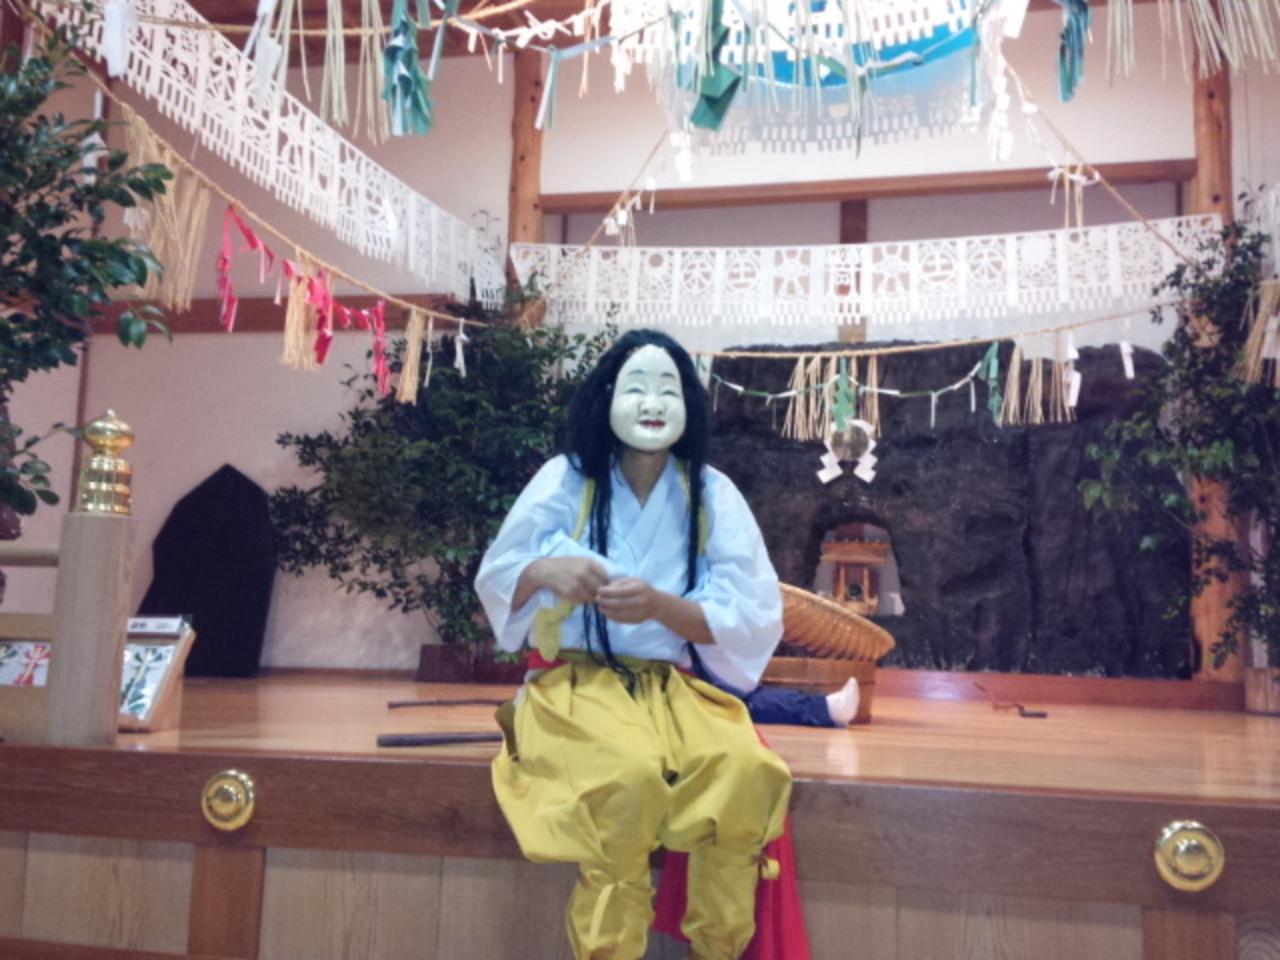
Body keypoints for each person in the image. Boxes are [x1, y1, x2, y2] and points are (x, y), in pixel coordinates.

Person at [476, 329, 793, 960]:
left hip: (665, 689)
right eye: (636, 388)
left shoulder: (710, 492)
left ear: (688, 405)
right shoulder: (566, 480)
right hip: (574, 685)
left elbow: (752, 614)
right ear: (607, 399)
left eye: (667, 390)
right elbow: (499, 574)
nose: (652, 403)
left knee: (747, 769)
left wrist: (661, 607)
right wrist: (545, 571)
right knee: (629, 775)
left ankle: (718, 948)